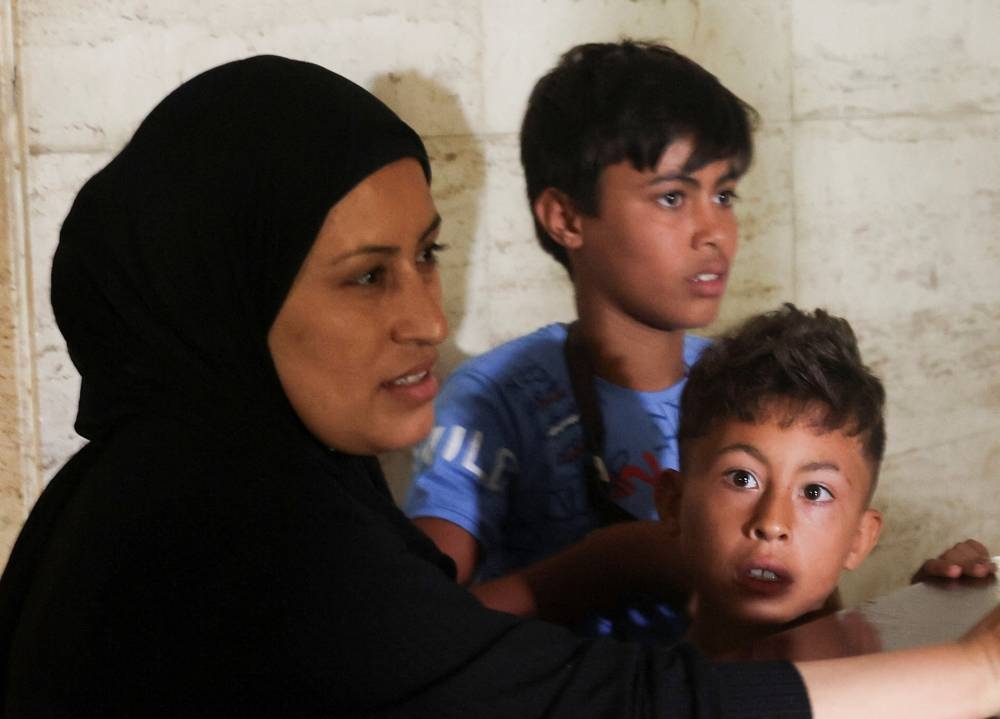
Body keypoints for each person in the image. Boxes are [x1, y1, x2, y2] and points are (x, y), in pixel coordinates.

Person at [0, 54, 998, 719]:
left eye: (426, 255)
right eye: (365, 277)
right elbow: (572, 702)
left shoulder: (186, 480)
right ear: (230, 290)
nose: (428, 320)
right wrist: (972, 670)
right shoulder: (235, 529)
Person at [405, 41, 751, 633]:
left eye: (724, 195)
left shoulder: (744, 387)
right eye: (672, 197)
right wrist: (604, 568)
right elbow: (415, 623)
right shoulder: (497, 400)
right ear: (566, 218)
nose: (714, 231)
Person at [651, 305, 997, 656]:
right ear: (674, 503)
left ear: (859, 540)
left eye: (815, 491)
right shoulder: (637, 682)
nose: (772, 524)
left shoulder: (879, 673)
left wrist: (935, 612)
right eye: (742, 478)